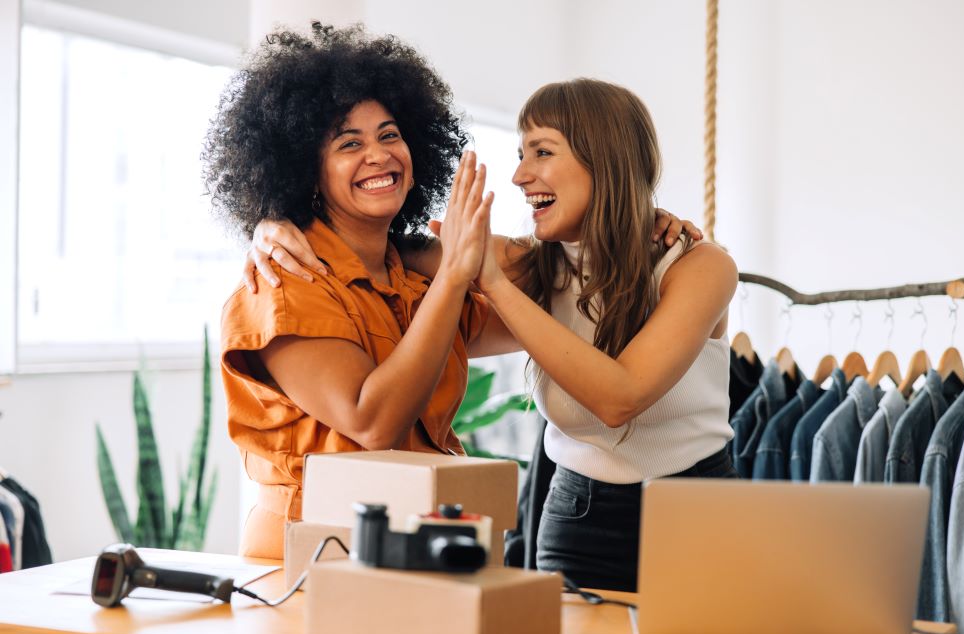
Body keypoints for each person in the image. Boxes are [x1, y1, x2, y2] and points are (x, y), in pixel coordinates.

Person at [252, 78, 738, 591]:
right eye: (520, 154)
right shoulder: (529, 263)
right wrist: (273, 222)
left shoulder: (699, 266)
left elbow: (620, 398)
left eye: (541, 152)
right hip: (577, 515)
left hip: (694, 509)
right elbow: (366, 238)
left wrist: (492, 281)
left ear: (607, 160)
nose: (519, 176)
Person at [202, 23, 505, 559]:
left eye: (390, 134)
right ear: (305, 173)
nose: (378, 154)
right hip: (307, 557)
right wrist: (455, 272)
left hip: (410, 547)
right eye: (349, 143)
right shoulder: (281, 283)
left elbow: (550, 280)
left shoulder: (411, 278)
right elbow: (372, 421)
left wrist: (647, 225)